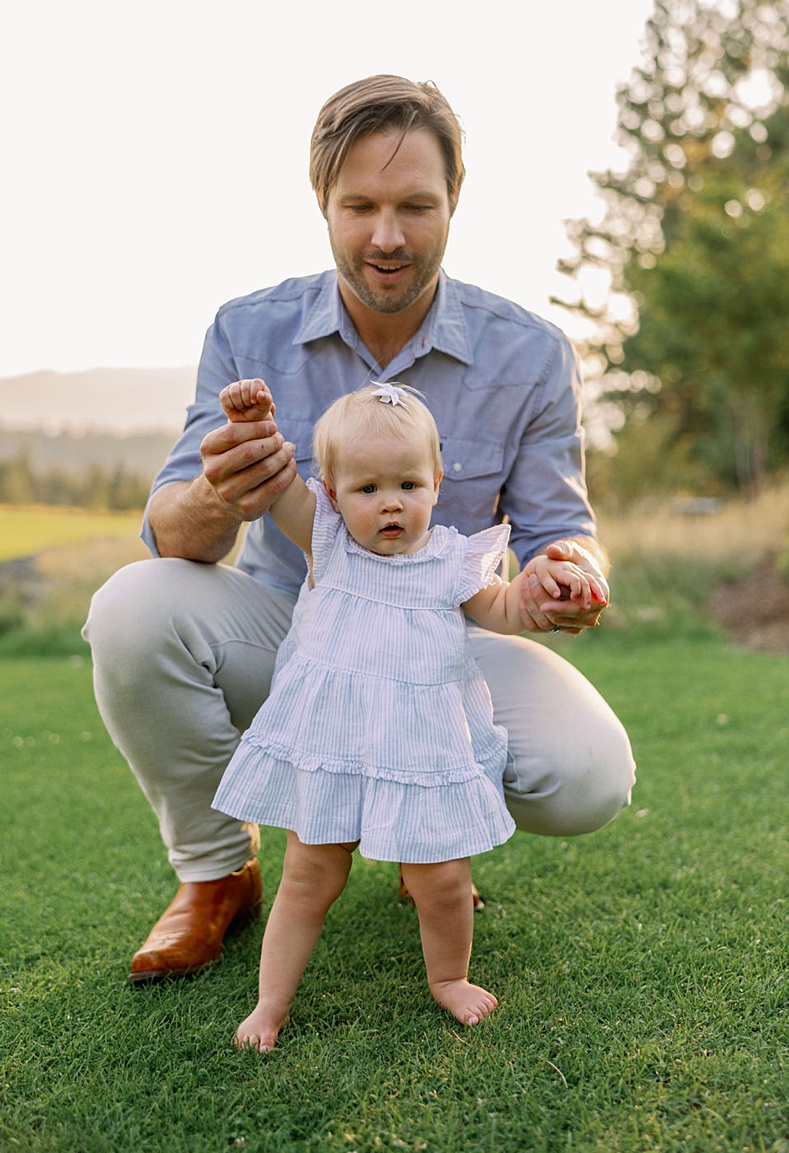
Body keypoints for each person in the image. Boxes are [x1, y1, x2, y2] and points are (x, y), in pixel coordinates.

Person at [85, 75, 636, 985]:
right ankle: (218, 872)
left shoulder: (531, 352)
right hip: (295, 638)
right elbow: (174, 530)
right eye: (361, 206)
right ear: (324, 205)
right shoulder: (246, 329)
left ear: (454, 200)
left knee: (588, 775)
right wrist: (223, 493)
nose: (387, 235)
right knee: (132, 608)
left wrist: (568, 572)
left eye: (416, 205)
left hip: (446, 643)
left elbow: (560, 528)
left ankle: (426, 838)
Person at [209, 379, 601, 1049]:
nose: (390, 502)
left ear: (437, 482)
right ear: (332, 493)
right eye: (366, 489)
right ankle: (269, 1003)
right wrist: (257, 422)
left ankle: (448, 977)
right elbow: (276, 486)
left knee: (442, 876)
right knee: (309, 874)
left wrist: (541, 587)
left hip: (421, 748)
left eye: (408, 485)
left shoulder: (453, 559)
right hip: (335, 742)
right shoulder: (327, 541)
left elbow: (505, 609)